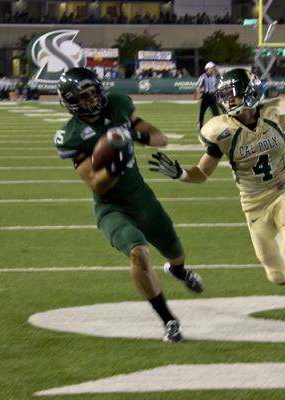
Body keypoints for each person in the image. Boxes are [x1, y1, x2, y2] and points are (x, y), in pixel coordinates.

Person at [149, 68, 285, 330]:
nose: (229, 101)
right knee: (279, 276)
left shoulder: (277, 114)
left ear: (251, 92)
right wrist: (180, 174)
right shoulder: (222, 131)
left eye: (235, 94)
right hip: (253, 203)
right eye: (225, 96)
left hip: (284, 189)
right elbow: (202, 173)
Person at [54, 67, 205, 342]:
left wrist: (141, 137)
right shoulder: (72, 135)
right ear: (70, 103)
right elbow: (95, 184)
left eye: (91, 93)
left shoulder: (119, 106)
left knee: (174, 250)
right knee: (140, 254)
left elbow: (153, 134)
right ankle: (168, 320)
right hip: (111, 207)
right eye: (82, 97)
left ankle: (179, 270)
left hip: (141, 197)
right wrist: (116, 164)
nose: (89, 101)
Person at [195, 61, 220, 130]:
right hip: (205, 96)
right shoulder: (203, 77)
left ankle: (218, 126)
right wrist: (199, 96)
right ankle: (199, 126)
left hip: (212, 96)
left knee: (216, 113)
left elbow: (216, 85)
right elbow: (198, 86)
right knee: (202, 112)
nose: (213, 69)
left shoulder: (214, 77)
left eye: (213, 68)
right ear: (207, 68)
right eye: (212, 68)